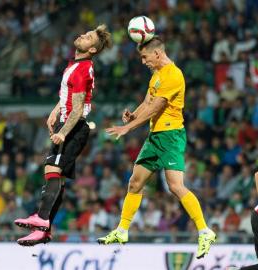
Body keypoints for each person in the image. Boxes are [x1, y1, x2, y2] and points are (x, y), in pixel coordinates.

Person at [97, 36, 216, 259]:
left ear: (158, 54)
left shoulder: (173, 74)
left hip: (171, 136)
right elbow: (147, 103)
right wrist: (133, 114)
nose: (143, 62)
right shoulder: (157, 75)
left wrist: (129, 128)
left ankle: (204, 231)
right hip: (155, 136)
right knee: (135, 182)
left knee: (175, 186)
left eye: (145, 57)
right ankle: (122, 231)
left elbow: (158, 107)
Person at [14, 24, 112, 246]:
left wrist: (63, 133)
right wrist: (55, 110)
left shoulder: (81, 69)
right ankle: (43, 227)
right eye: (84, 33)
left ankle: (41, 221)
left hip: (73, 127)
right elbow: (69, 96)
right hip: (68, 123)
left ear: (93, 49)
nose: (81, 35)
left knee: (52, 171)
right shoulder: (76, 65)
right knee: (54, 174)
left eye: (87, 37)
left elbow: (77, 110)